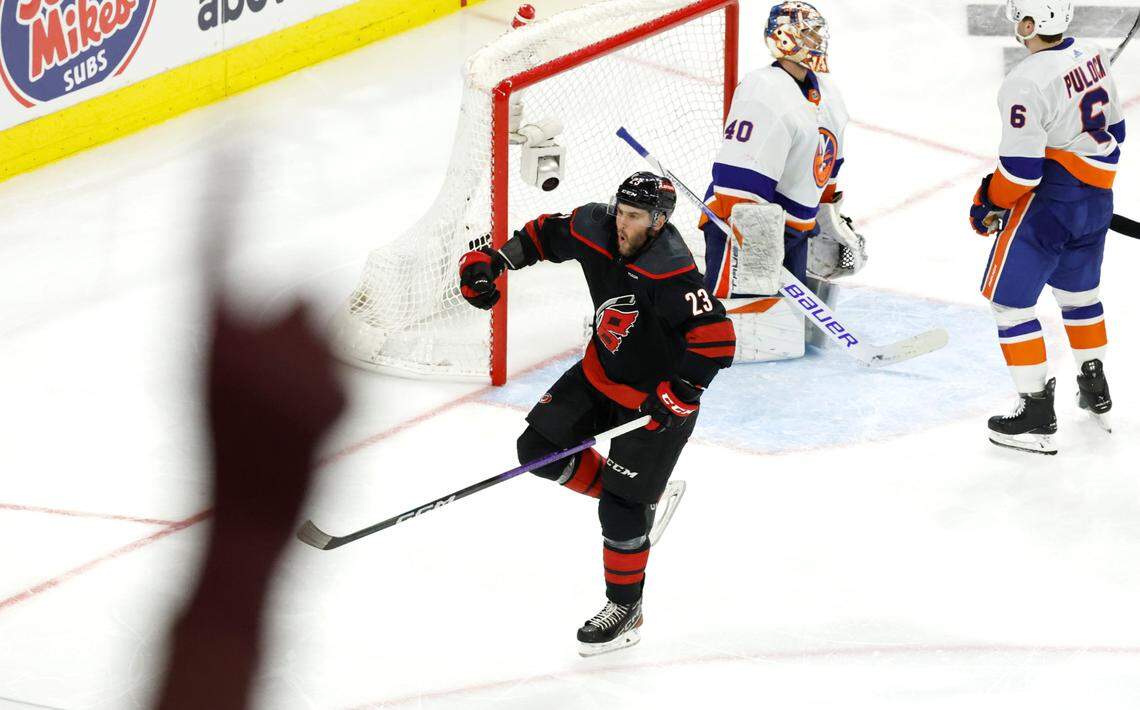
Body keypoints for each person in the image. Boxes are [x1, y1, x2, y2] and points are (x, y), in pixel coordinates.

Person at [457, 172, 735, 656]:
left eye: (634, 217)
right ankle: (635, 500)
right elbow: (543, 235)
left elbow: (716, 338)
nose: (622, 224)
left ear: (659, 221)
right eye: (620, 212)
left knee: (620, 513)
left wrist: (683, 392)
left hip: (653, 406)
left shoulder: (671, 271)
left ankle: (626, 607)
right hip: (597, 374)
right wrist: (493, 261)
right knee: (537, 451)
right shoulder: (595, 227)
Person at [970, 0, 1124, 454]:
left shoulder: (1024, 80)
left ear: (1031, 22)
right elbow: (1118, 128)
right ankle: (1095, 385)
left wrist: (988, 202)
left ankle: (1036, 413)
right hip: (1096, 199)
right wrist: (1085, 184)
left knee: (1010, 305)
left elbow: (1020, 172)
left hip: (1048, 205)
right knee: (1080, 298)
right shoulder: (1093, 54)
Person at [699, 1, 865, 363]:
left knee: (784, 340)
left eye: (819, 31)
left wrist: (827, 219)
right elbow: (736, 182)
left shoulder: (829, 93)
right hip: (742, 229)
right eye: (808, 31)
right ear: (783, 37)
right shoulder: (763, 90)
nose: (817, 39)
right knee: (730, 343)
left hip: (793, 231)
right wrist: (757, 250)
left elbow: (828, 164)